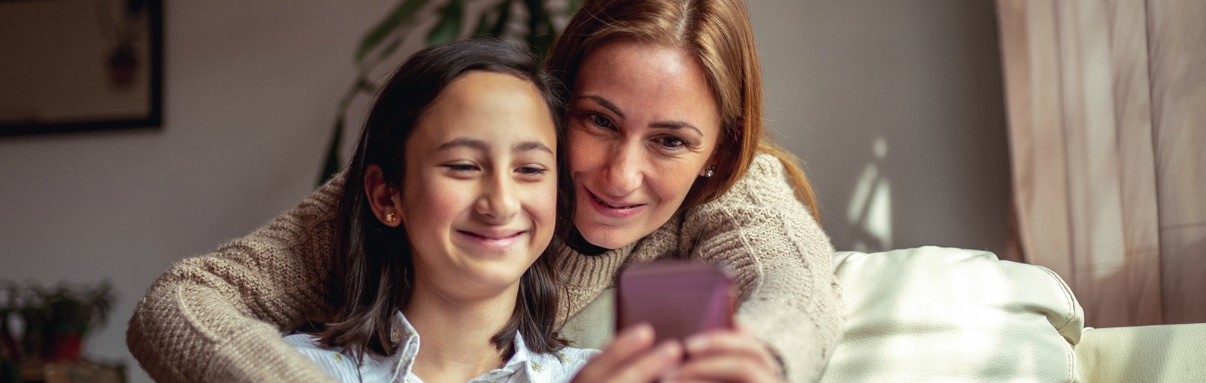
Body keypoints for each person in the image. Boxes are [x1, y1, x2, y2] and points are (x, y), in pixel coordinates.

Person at [127, 0, 843, 381]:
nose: (621, 175)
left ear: (715, 153)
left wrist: (759, 360)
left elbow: (795, 285)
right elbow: (181, 304)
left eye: (670, 140)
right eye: (597, 120)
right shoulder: (448, 165)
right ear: (556, 102)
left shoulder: (731, 186)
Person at [284, 39, 595, 382]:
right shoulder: (288, 370)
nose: (502, 204)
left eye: (530, 169)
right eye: (463, 166)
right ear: (387, 197)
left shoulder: (604, 375)